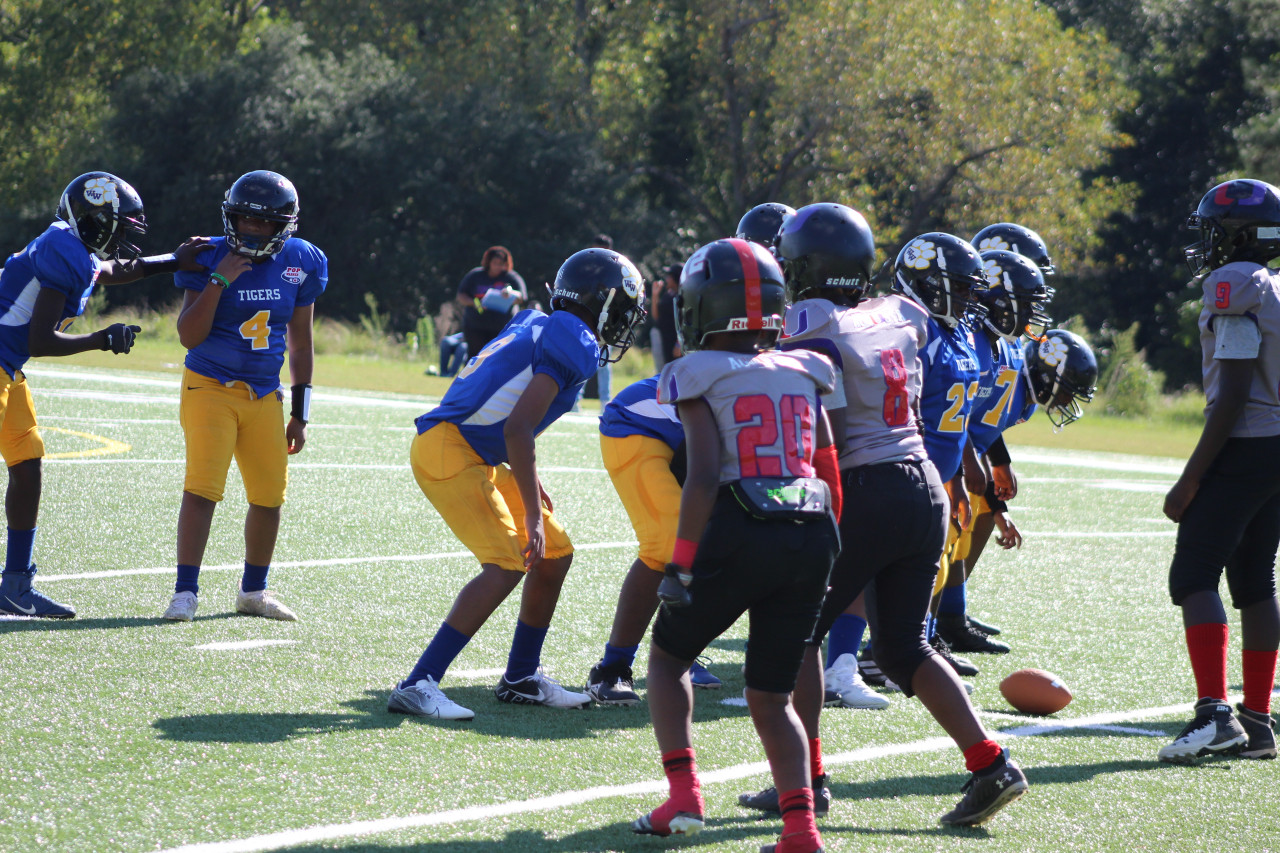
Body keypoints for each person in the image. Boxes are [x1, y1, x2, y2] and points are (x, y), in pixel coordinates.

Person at [738, 204, 1028, 828]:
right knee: (902, 647)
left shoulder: (810, 322)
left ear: (808, 265)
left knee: (799, 634)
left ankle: (806, 780)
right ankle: (991, 761)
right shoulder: (902, 312)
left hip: (863, 486)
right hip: (924, 484)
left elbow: (805, 409)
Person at [631, 238, 841, 853]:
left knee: (668, 659)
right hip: (812, 531)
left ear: (699, 307)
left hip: (742, 527)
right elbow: (827, 468)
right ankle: (801, 830)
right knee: (772, 698)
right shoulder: (805, 367)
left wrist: (682, 565)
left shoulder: (696, 371)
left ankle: (682, 797)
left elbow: (701, 474)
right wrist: (834, 547)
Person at [389, 248, 645, 721]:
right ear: (603, 305)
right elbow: (517, 429)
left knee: (555, 553)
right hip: (453, 448)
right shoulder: (577, 342)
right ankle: (418, 682)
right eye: (624, 312)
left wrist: (529, 479)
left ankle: (521, 676)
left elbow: (503, 407)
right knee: (508, 561)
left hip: (475, 448)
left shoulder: (537, 320)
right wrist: (529, 511)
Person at [0, 172, 206, 618]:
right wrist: (102, 339)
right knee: (26, 463)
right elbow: (41, 340)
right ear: (97, 221)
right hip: (4, 364)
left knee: (28, 462)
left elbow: (108, 272)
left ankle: (15, 585)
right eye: (121, 225)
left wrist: (173, 260)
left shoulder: (70, 243)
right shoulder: (65, 252)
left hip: (7, 369)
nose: (125, 235)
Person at [161, 170, 326, 623]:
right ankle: (185, 591)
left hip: (265, 395)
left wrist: (301, 412)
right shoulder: (207, 254)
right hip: (209, 385)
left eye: (263, 223)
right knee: (202, 490)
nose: (251, 230)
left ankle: (253, 591)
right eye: (244, 220)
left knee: (269, 496)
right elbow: (189, 336)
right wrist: (218, 279)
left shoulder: (303, 259)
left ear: (284, 224)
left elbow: (302, 342)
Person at [1158, 178, 1280, 763]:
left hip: (1247, 443)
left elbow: (1232, 393)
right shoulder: (1275, 285)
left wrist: (1190, 477)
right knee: (1256, 579)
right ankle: (1258, 722)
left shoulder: (1235, 283)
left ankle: (1215, 714)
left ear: (1236, 234)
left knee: (1194, 575)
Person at [935, 248, 1055, 655]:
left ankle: (943, 622)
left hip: (959, 453)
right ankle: (916, 634)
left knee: (962, 533)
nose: (1031, 316)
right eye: (1025, 305)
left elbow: (982, 417)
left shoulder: (1000, 345)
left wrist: (993, 462)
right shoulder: (967, 340)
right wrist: (974, 462)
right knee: (933, 547)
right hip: (935, 455)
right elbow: (954, 412)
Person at [585, 374, 720, 706]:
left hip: (694, 443)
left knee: (731, 543)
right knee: (668, 545)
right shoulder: (761, 376)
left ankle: (683, 652)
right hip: (641, 424)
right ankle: (612, 669)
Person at [456, 246, 527, 359]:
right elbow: (461, 295)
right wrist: (475, 303)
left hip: (501, 327)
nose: (498, 266)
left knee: (497, 358)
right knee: (475, 356)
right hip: (476, 326)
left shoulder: (511, 278)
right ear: (488, 262)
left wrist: (510, 294)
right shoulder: (475, 276)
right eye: (495, 263)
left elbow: (521, 297)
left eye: (501, 263)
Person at [653, 264, 682, 369]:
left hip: (675, 343)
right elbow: (656, 317)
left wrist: (679, 344)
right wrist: (655, 294)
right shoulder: (667, 295)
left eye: (669, 276)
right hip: (665, 340)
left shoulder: (683, 296)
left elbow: (685, 321)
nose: (666, 279)